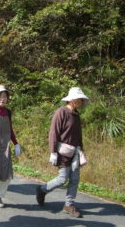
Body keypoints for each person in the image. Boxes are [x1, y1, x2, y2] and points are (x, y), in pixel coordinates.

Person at [36, 87, 89, 218]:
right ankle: (42, 189)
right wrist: (53, 151)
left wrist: (81, 149)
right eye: (79, 99)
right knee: (62, 178)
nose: (81, 101)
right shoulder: (61, 112)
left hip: (74, 152)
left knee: (75, 179)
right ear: (71, 100)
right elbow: (54, 132)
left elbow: (78, 134)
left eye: (82, 99)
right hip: (62, 152)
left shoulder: (76, 115)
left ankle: (69, 204)